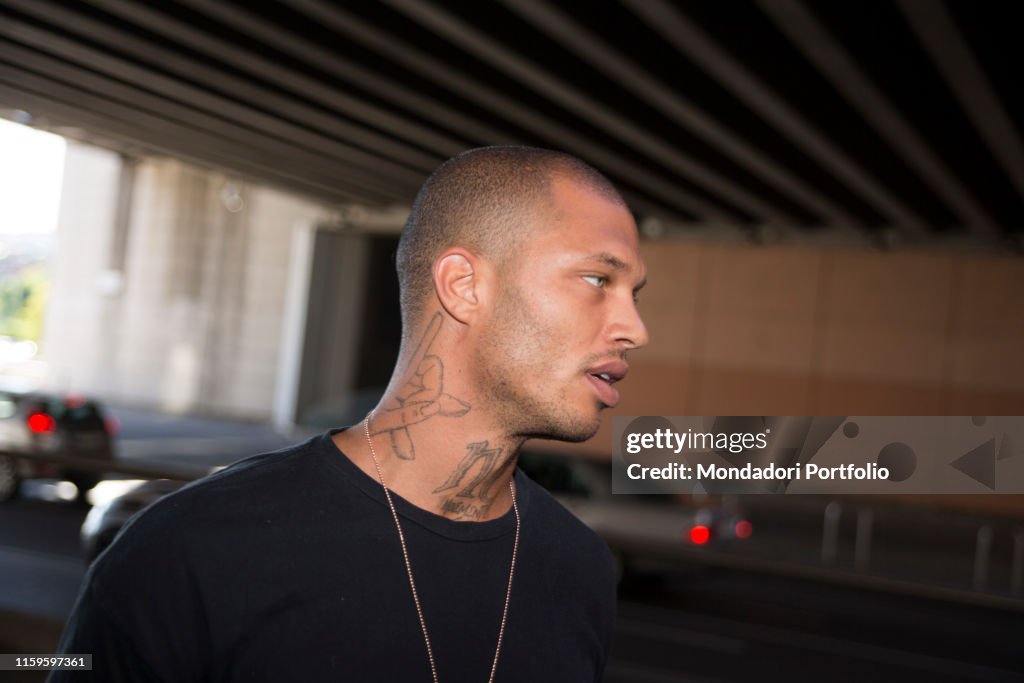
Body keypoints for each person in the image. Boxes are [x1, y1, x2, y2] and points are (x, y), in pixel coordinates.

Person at [50, 146, 648, 682]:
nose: (634, 329)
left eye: (634, 294)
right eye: (598, 279)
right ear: (464, 286)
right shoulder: (191, 552)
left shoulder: (579, 569)